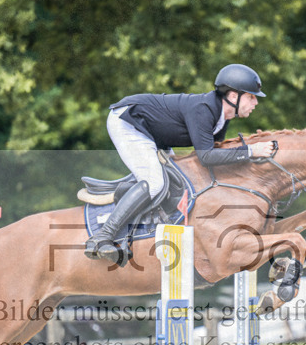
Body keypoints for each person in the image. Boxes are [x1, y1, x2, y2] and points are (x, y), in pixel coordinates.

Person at [84, 63, 277, 263]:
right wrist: (251, 151)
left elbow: (215, 159)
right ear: (234, 96)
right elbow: (207, 157)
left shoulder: (221, 117)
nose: (255, 102)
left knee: (180, 182)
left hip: (155, 135)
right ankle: (102, 237)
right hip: (130, 122)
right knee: (155, 183)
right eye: (251, 96)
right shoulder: (204, 109)